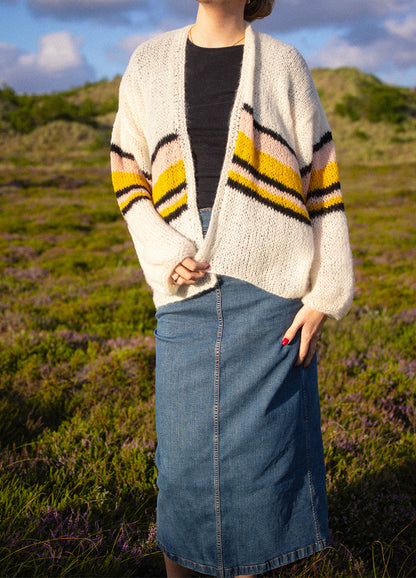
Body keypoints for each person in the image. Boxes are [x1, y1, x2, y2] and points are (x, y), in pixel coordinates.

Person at [110, 0, 354, 576]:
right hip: (185, 291)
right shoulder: (148, 61)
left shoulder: (285, 63)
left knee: (267, 463)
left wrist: (325, 295)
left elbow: (321, 182)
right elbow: (127, 171)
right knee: (181, 464)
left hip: (272, 298)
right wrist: (165, 252)